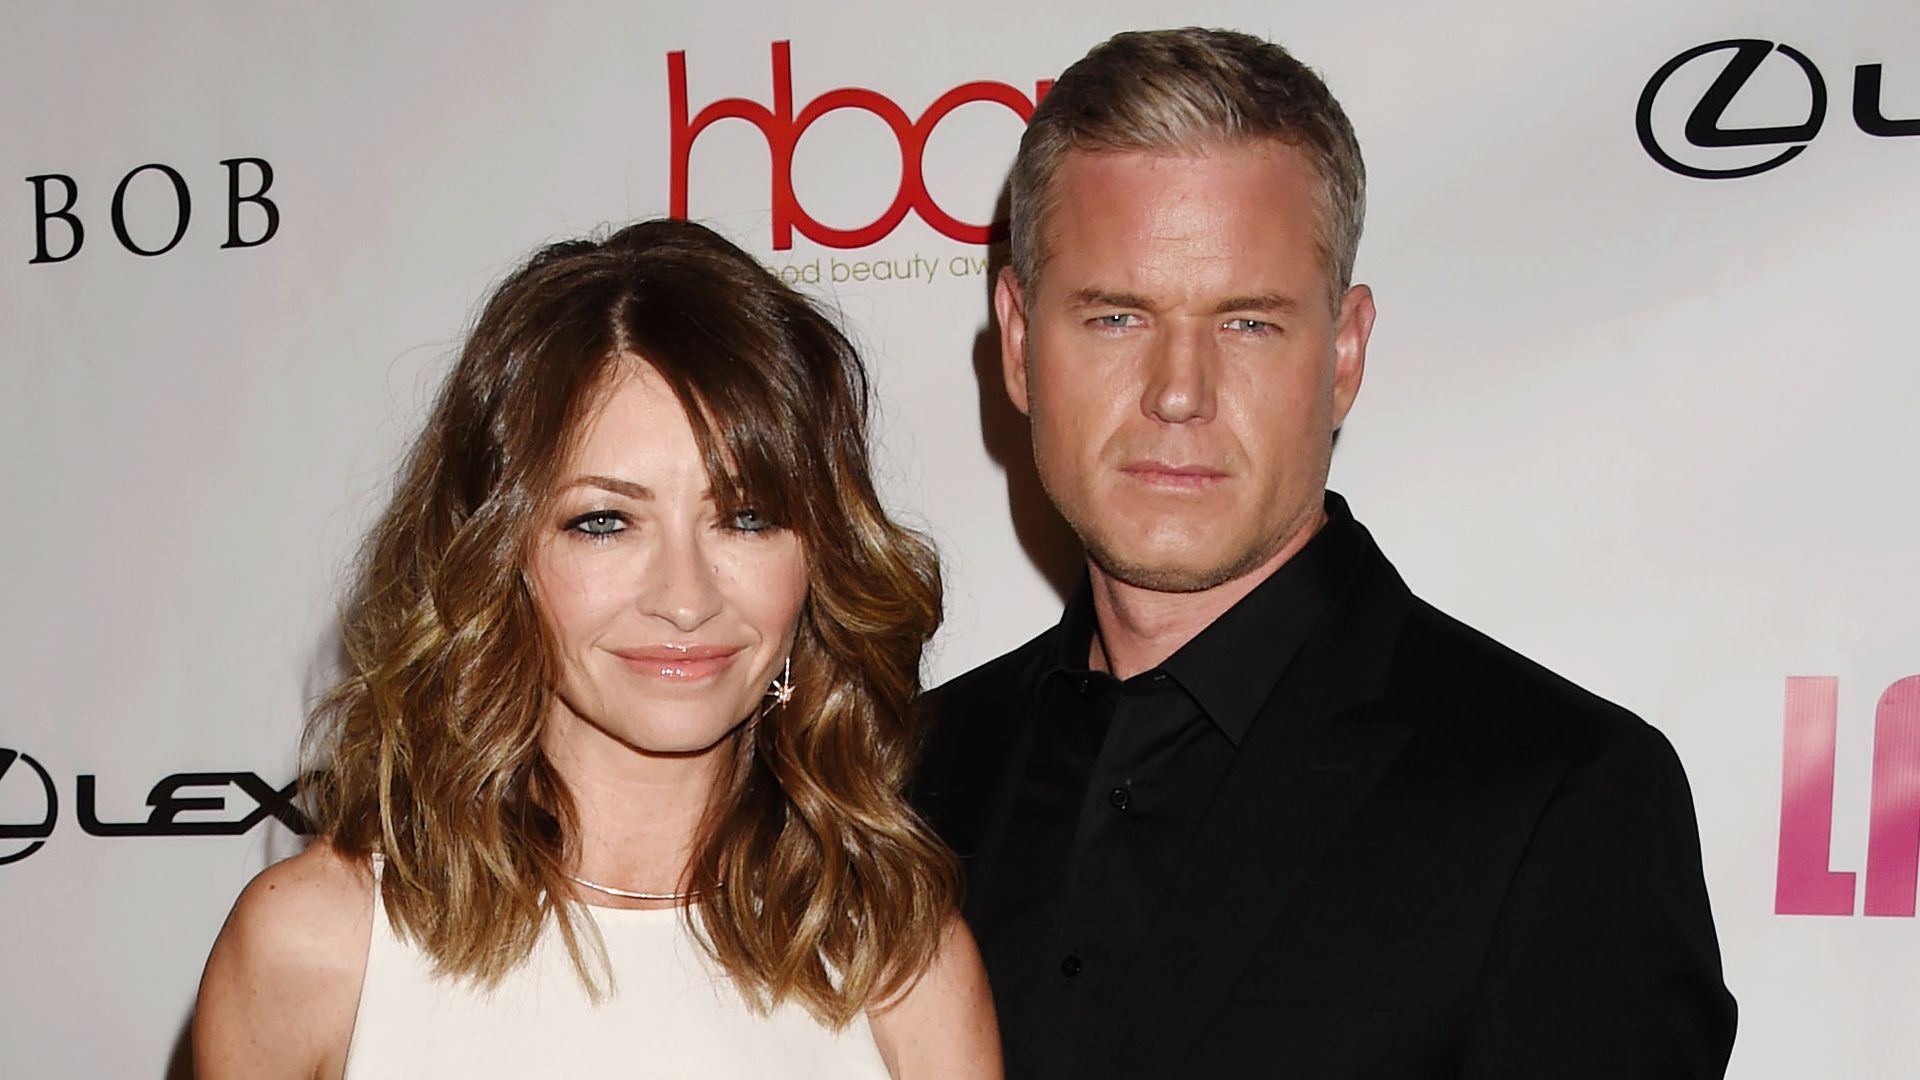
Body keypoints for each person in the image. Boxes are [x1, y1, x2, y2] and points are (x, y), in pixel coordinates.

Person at [916, 27, 1736, 1079]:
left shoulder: (1557, 802)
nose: (1179, 393)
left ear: (1344, 354)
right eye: (1117, 317)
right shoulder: (900, 780)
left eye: (1247, 325)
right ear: (1022, 343)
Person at [193, 219, 1000, 1079]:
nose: (685, 598)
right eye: (604, 521)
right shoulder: (318, 947)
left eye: (748, 516)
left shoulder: (902, 967)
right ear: (499, 553)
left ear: (820, 557)